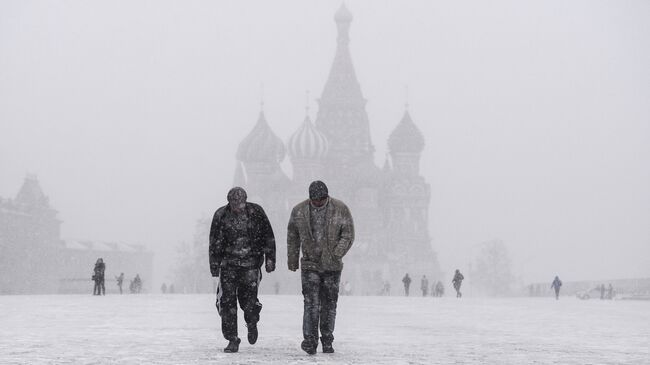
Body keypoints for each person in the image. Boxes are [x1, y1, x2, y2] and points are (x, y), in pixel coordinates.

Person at [287, 180, 354, 355]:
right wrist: (293, 260)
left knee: (329, 304)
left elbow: (348, 234)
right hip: (310, 264)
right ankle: (310, 340)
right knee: (310, 303)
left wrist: (336, 253)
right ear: (310, 198)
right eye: (315, 200)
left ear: (327, 197)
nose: (318, 203)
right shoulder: (299, 211)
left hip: (332, 266)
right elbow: (293, 236)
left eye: (321, 200)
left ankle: (327, 339)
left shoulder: (340, 209)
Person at [209, 187, 276, 353]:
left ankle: (252, 320)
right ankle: (232, 338)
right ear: (229, 202)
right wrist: (214, 265)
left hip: (251, 265)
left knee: (249, 302)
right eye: (233, 203)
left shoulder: (256, 212)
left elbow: (268, 236)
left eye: (239, 203)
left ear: (245, 201)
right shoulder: (221, 215)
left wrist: (270, 258)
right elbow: (214, 241)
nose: (237, 206)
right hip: (228, 265)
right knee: (227, 303)